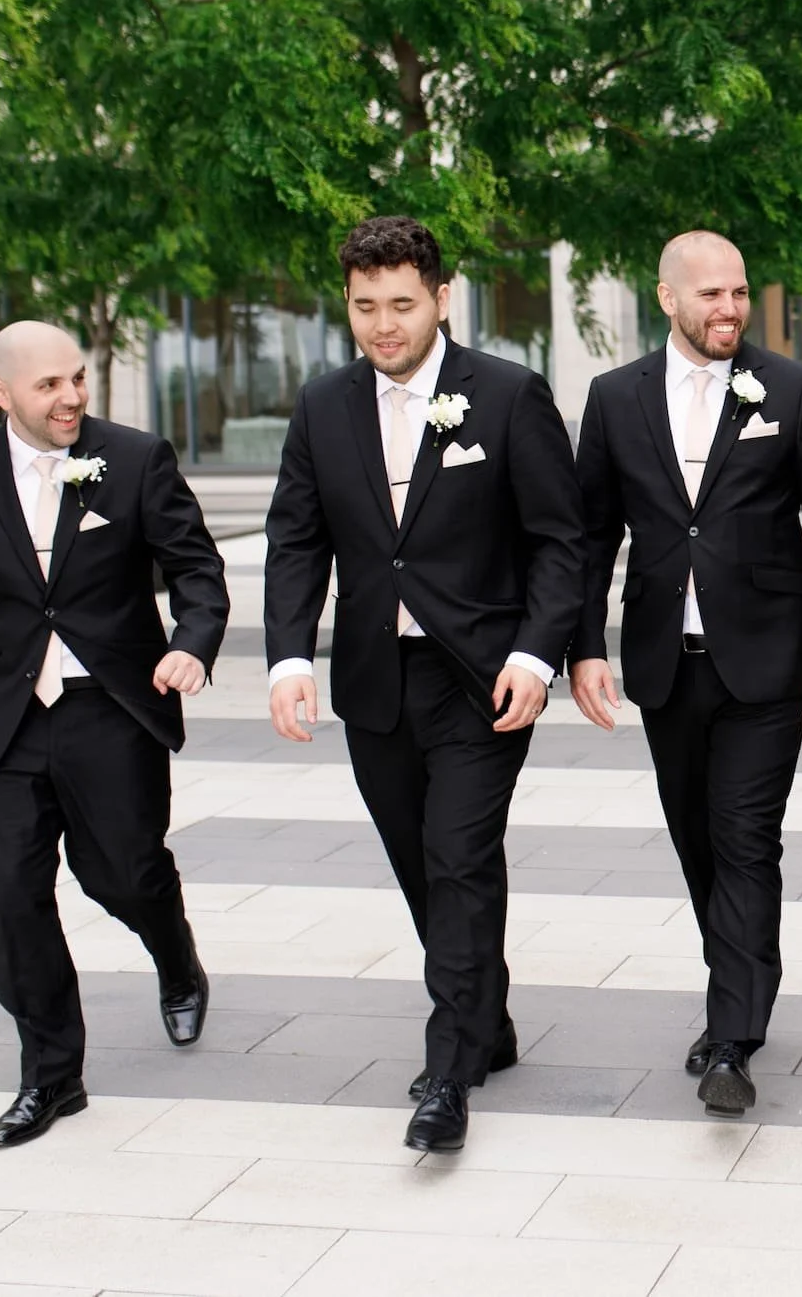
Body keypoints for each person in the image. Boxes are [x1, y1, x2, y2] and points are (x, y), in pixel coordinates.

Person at [263, 216, 584, 1154]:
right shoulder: (322, 406)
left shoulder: (510, 395)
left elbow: (559, 543)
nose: (382, 324)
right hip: (375, 680)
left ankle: (449, 1073)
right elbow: (295, 540)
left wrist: (535, 655)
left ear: (444, 297)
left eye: (401, 304)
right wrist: (289, 657)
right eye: (365, 306)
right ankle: (488, 1015)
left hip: (483, 677)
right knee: (420, 863)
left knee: (457, 854)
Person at [0, 321, 225, 1148]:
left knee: (122, 872)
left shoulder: (137, 456)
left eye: (76, 377)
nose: (72, 395)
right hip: (9, 719)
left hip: (111, 706)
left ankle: (174, 952)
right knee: (10, 897)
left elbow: (196, 570)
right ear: (0, 393)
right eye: (47, 385)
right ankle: (51, 1075)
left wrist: (190, 645)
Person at [569, 230, 802, 1116]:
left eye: (739, 292)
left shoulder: (793, 388)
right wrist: (584, 647)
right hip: (667, 665)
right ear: (668, 298)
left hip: (769, 664)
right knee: (697, 840)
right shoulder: (615, 397)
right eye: (711, 295)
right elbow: (591, 539)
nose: (730, 309)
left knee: (744, 839)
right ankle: (741, 980)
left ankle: (732, 1035)